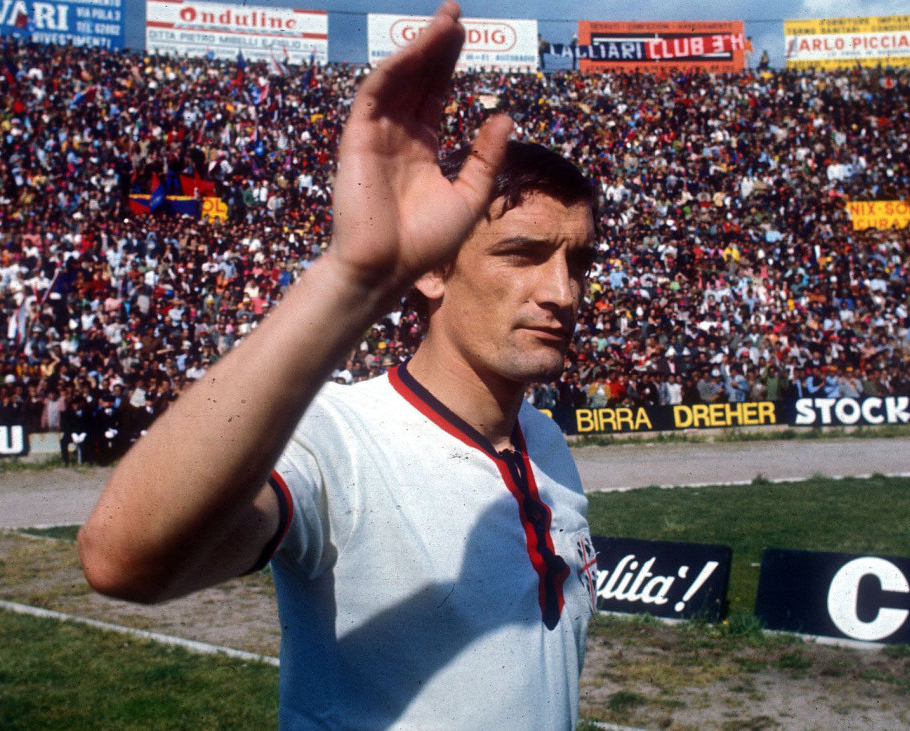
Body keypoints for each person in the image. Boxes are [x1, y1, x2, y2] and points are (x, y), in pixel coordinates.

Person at [77, 4, 599, 728]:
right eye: (523, 254)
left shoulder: (547, 443)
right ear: (433, 270)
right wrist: (351, 280)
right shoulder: (340, 441)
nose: (561, 291)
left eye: (578, 261)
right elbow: (122, 556)